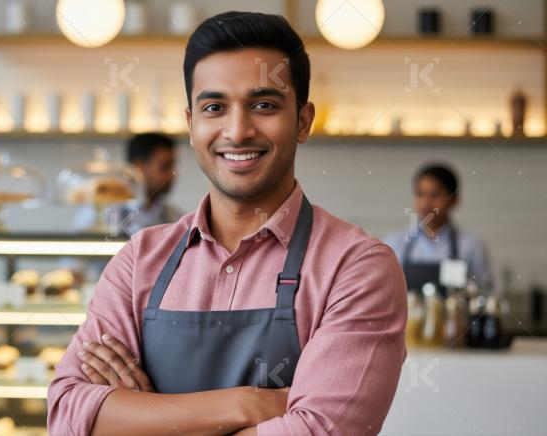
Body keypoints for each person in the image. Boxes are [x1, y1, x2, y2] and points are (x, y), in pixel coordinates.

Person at [48, 11, 407, 436]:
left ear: (304, 121)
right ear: (191, 124)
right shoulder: (138, 260)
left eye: (264, 105)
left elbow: (320, 432)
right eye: (215, 107)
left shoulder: (357, 268)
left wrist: (141, 416)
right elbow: (68, 416)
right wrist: (248, 404)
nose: (237, 131)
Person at [384, 163, 493, 294]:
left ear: (454, 200)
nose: (425, 202)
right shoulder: (395, 242)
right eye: (420, 194)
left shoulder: (470, 246)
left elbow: (485, 292)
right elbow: (384, 289)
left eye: (434, 195)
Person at [71, 133, 183, 235]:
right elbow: (74, 253)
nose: (173, 174)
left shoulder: (176, 218)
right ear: (139, 168)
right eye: (165, 167)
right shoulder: (99, 212)